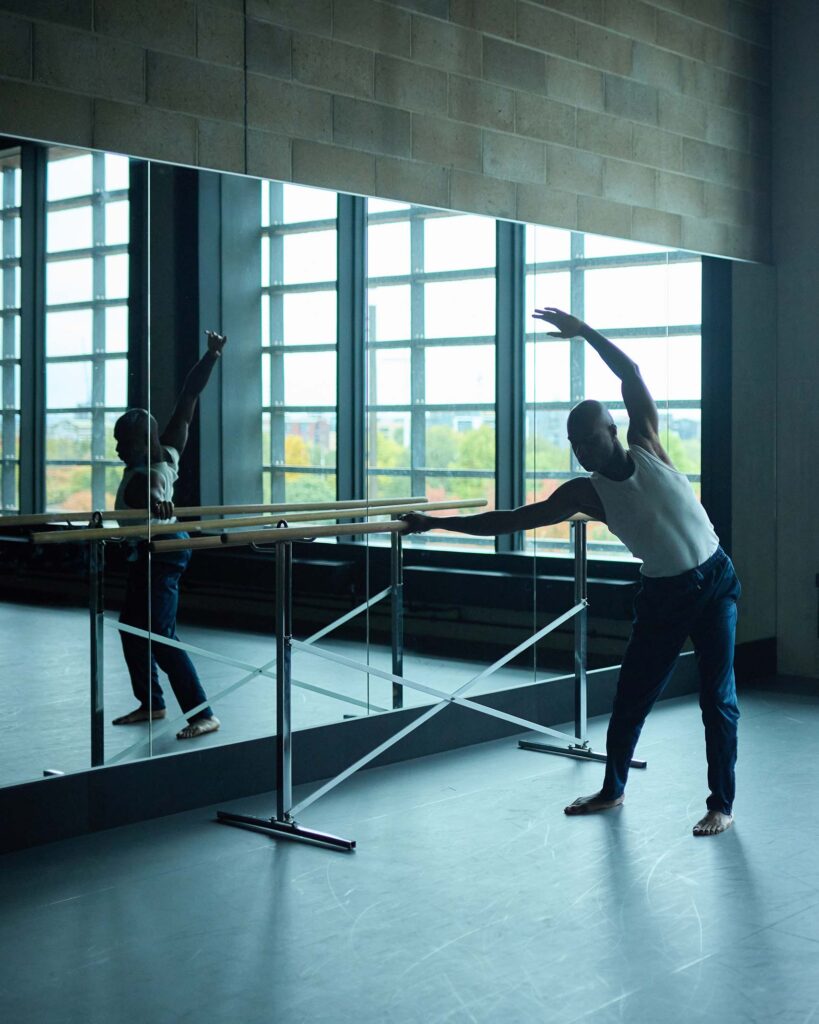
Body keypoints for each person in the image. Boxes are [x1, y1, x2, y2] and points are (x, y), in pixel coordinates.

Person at [402, 308, 740, 838]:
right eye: (573, 443)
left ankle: (721, 803)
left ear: (612, 430)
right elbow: (511, 520)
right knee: (631, 699)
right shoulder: (585, 493)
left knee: (717, 697)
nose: (581, 450)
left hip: (716, 579)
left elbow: (630, 374)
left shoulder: (647, 443)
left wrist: (584, 332)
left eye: (588, 438)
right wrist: (436, 523)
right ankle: (612, 790)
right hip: (664, 595)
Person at [111, 330, 227, 740]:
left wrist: (158, 505)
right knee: (131, 626)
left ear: (141, 441)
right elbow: (188, 398)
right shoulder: (170, 452)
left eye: (122, 443)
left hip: (160, 552)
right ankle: (153, 703)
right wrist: (210, 356)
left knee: (160, 635)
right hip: (151, 551)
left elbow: (152, 495)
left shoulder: (146, 477)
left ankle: (203, 713)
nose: (117, 451)